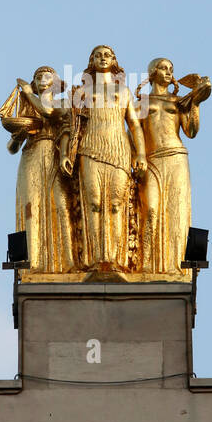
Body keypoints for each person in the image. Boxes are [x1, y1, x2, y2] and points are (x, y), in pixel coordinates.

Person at [64, 45, 147, 272]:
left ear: (113, 60)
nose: (102, 58)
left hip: (119, 149)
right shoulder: (82, 93)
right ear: (92, 60)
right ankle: (95, 259)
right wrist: (66, 153)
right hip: (90, 149)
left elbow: (134, 125)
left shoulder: (124, 92)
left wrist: (140, 153)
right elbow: (72, 127)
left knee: (116, 204)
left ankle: (115, 259)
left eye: (107, 55)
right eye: (98, 55)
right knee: (94, 203)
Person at [0, 66, 74, 273]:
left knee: (61, 204)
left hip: (54, 154)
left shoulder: (62, 103)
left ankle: (67, 261)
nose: (41, 79)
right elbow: (12, 149)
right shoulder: (27, 111)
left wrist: (28, 93)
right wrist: (18, 136)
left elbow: (52, 115)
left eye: (46, 76)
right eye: (37, 77)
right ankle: (34, 263)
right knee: (31, 207)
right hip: (31, 156)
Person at [136, 58, 211, 275]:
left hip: (176, 156)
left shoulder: (178, 102)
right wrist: (136, 157)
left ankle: (176, 265)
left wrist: (195, 103)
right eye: (163, 68)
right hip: (151, 158)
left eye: (171, 69)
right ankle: (146, 263)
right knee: (150, 209)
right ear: (152, 72)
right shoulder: (141, 102)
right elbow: (135, 132)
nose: (168, 72)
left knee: (176, 210)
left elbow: (191, 131)